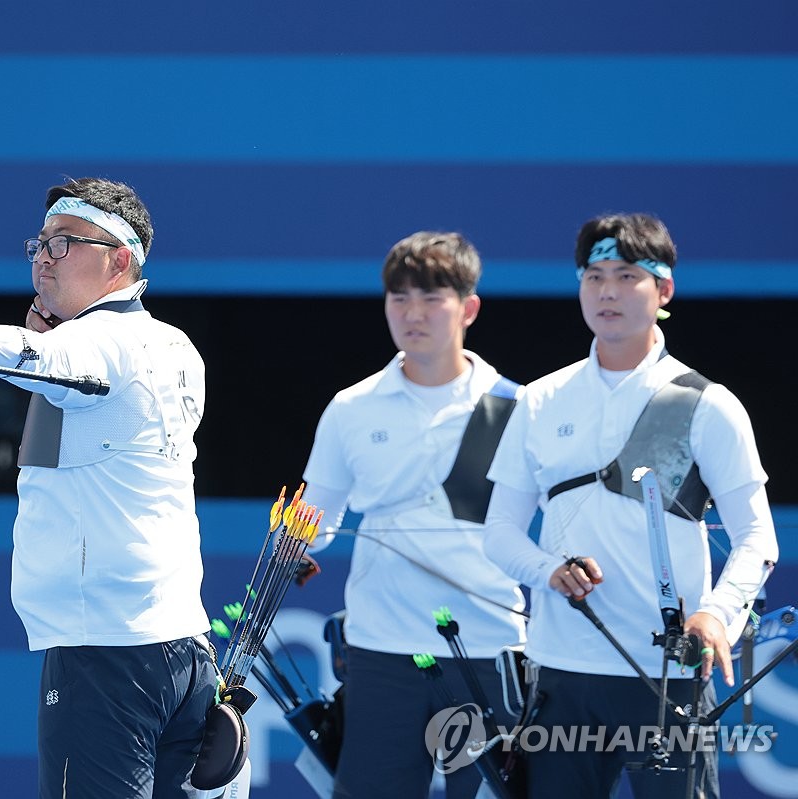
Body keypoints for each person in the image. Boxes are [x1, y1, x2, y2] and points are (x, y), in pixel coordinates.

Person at [0, 177, 220, 799]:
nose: (42, 259)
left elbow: (47, 360)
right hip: (182, 646)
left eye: (64, 243)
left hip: (103, 654)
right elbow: (70, 394)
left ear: (120, 260)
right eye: (40, 243)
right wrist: (46, 338)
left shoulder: (97, 341)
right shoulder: (172, 344)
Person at [483, 212, 779, 799]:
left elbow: (757, 539)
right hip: (560, 676)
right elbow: (499, 532)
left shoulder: (708, 404)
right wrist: (548, 572)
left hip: (668, 674)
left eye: (626, 275)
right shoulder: (540, 399)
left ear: (663, 289)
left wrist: (716, 614)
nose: (608, 291)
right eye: (594, 276)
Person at [299, 231, 528, 799]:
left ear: (468, 308)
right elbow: (316, 519)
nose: (412, 313)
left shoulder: (520, 407)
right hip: (380, 654)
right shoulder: (352, 407)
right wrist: (294, 542)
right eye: (399, 298)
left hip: (487, 649)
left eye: (431, 298)